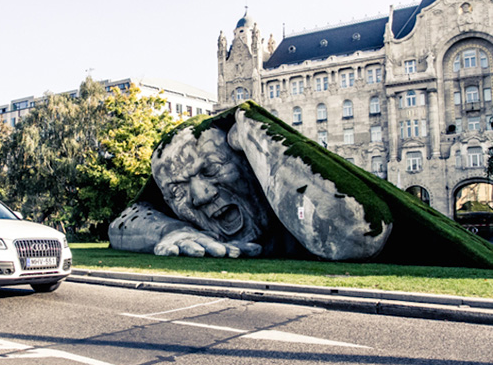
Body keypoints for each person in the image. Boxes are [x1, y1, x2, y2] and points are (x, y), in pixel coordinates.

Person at [109, 104, 392, 260]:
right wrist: (172, 231)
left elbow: (358, 235)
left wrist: (252, 132)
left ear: (247, 160)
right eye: (177, 190)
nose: (200, 195)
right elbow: (121, 224)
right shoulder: (190, 217)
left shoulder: (266, 163)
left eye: (210, 169)